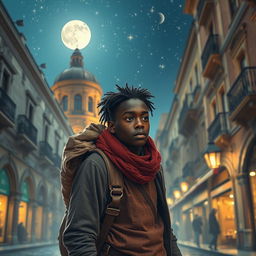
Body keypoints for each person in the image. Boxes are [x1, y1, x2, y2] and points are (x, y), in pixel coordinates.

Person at [63, 84, 182, 255]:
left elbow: (165, 228)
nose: (140, 124)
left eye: (145, 118)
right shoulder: (96, 165)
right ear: (112, 126)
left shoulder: (154, 166)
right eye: (129, 118)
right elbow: (79, 236)